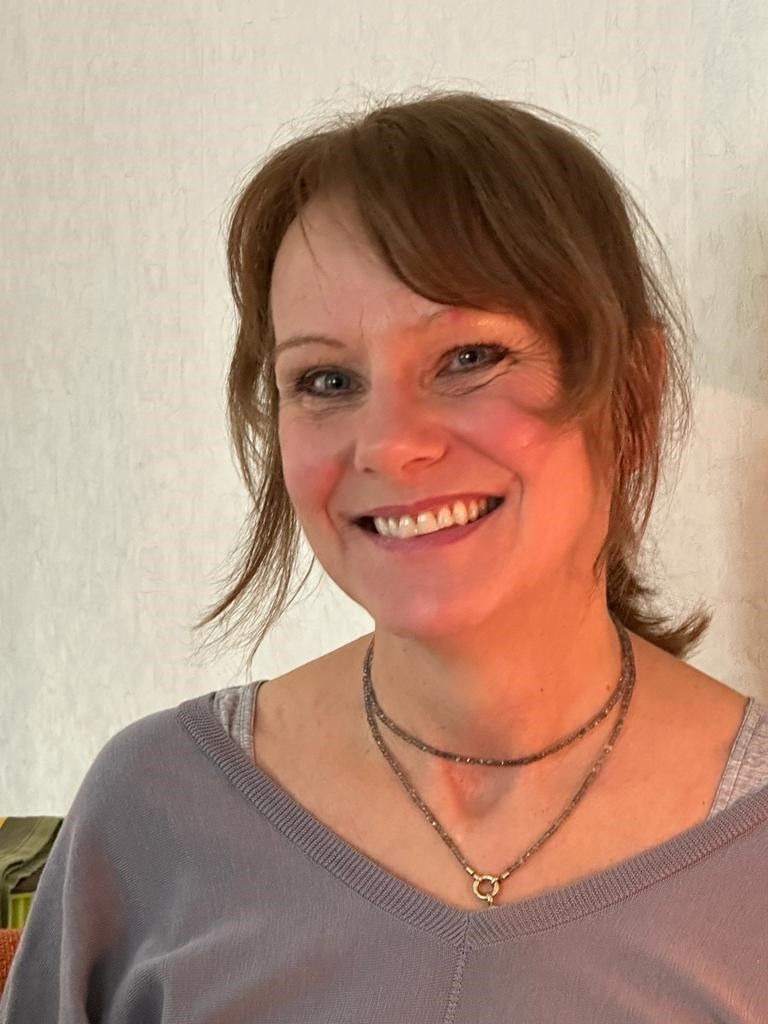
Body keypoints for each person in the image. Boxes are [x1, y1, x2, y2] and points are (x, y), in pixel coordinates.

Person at [2, 89, 767, 1022]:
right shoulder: (151, 815)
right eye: (327, 379)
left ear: (633, 389)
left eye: (469, 357)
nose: (391, 444)